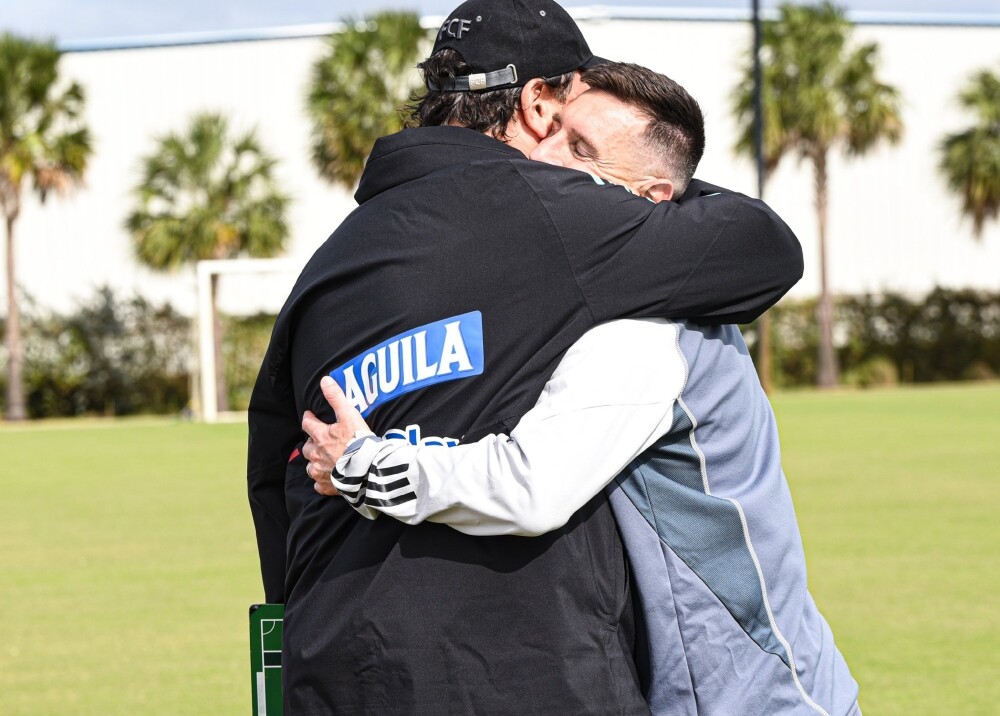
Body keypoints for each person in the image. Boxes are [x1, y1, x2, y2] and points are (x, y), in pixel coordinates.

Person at [247, 0, 803, 711]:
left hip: (333, 664)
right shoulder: (560, 217)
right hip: (522, 668)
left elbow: (275, 483)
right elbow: (764, 248)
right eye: (572, 117)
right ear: (539, 104)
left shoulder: (326, 265)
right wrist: (641, 182)